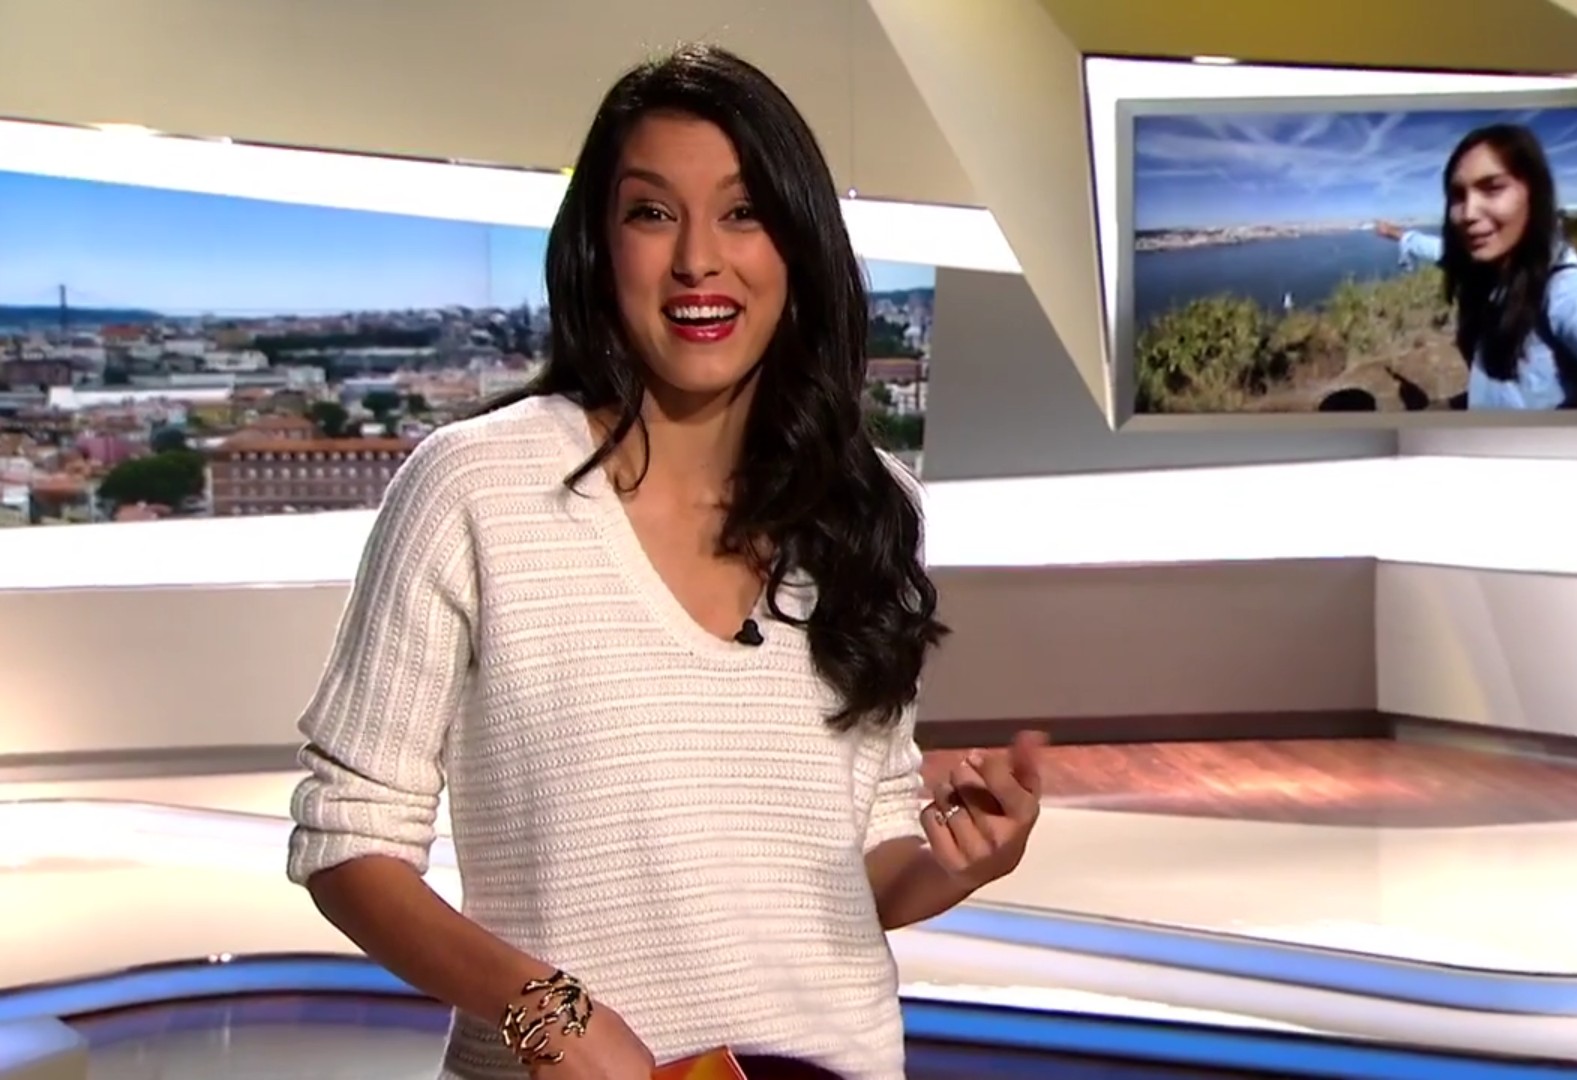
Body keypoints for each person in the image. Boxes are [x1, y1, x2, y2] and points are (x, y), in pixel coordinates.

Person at [284, 44, 1048, 1080]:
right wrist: (545, 1013)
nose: (698, 260)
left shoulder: (871, 508)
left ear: (799, 246)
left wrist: (956, 862)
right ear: (599, 248)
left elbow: (860, 855)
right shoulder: (475, 489)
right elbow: (347, 842)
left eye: (742, 213)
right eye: (652, 213)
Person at [1374, 123, 1577, 410]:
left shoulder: (1576, 300)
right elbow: (1444, 252)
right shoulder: (1489, 268)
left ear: (1535, 194)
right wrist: (1400, 235)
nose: (1468, 213)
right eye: (1458, 195)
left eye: (1492, 188)